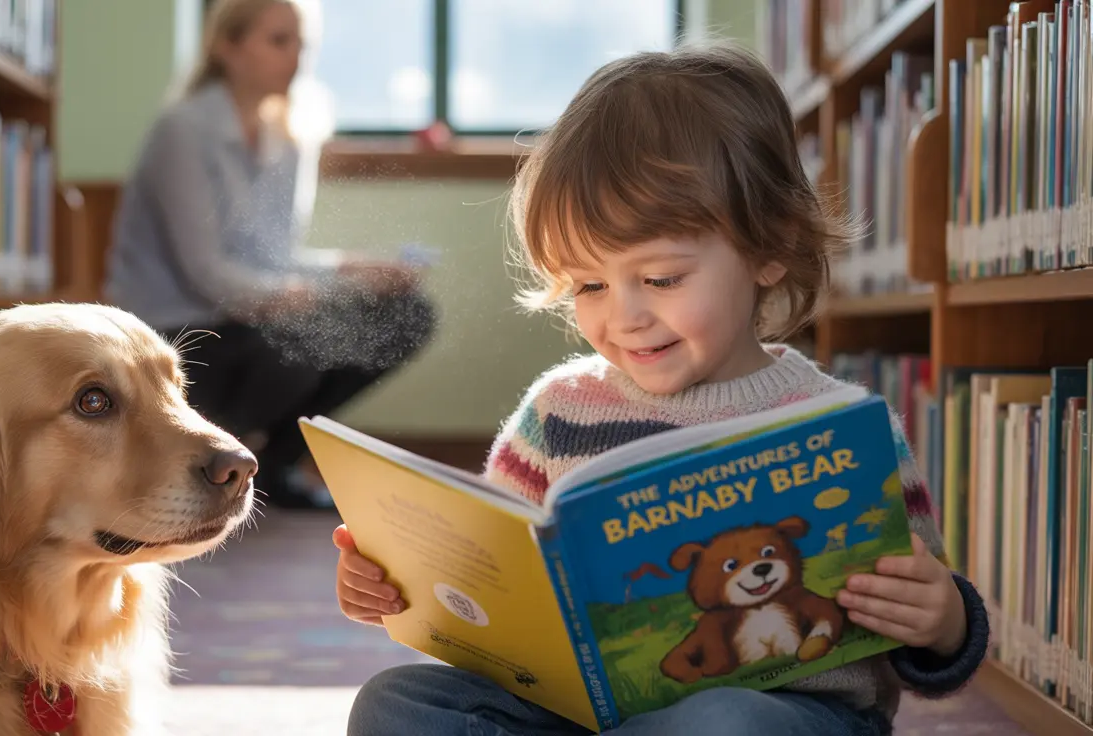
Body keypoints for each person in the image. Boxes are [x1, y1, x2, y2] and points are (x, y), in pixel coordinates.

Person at [330, 40, 989, 736]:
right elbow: (489, 579)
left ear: (768, 246)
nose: (625, 316)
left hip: (790, 716)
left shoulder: (840, 426)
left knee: (723, 722)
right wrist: (398, 587)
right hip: (588, 713)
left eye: (662, 279)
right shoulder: (558, 413)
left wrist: (944, 620)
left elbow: (921, 612)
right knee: (398, 702)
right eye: (588, 285)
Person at [103, 0, 437, 509]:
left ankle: (276, 464)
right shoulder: (183, 130)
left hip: (253, 322)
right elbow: (207, 274)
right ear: (226, 47)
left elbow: (277, 257)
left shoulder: (291, 133)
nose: (297, 58)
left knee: (408, 315)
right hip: (178, 333)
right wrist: (300, 295)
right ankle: (197, 460)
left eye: (304, 45)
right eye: (280, 41)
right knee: (303, 341)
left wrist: (352, 269)